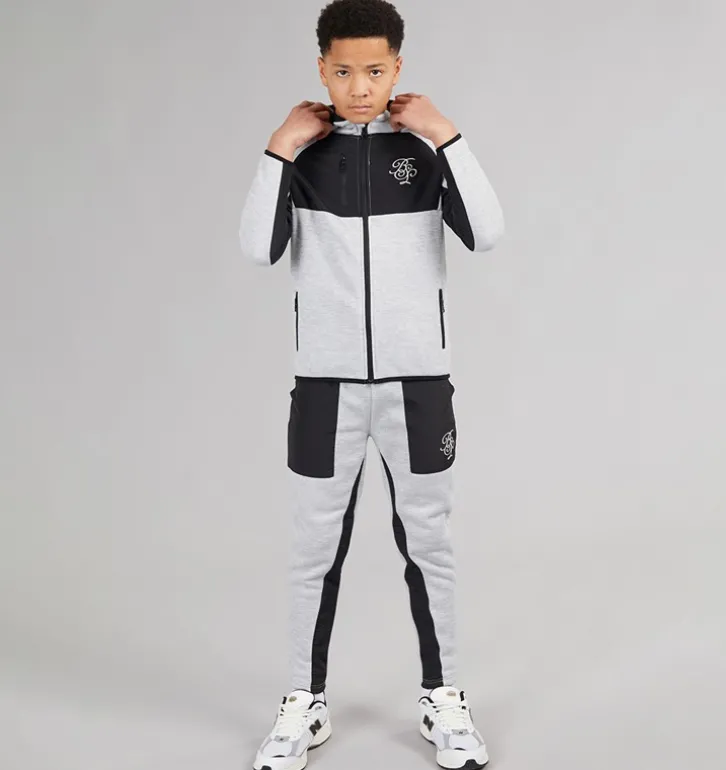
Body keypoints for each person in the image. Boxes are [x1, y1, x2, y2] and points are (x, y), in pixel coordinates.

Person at [239, 1, 504, 767]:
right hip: (325, 389)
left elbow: (487, 232)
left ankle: (444, 697)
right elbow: (257, 248)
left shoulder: (422, 151)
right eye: (345, 71)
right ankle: (303, 702)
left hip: (417, 387)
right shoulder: (305, 157)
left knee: (430, 545)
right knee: (313, 549)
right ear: (322, 69)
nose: (361, 87)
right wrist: (279, 146)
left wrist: (445, 134)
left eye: (376, 71)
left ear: (398, 69)